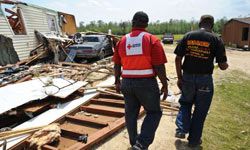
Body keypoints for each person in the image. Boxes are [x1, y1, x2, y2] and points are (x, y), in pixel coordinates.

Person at [112, 11, 168, 150]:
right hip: (146, 84)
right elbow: (159, 66)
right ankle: (141, 144)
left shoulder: (122, 41)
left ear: (133, 22)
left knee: (130, 113)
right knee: (154, 112)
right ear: (147, 24)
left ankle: (134, 142)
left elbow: (117, 64)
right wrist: (164, 85)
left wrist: (117, 81)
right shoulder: (152, 40)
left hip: (127, 83)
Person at [174, 15, 229, 147]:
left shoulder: (188, 36)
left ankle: (181, 128)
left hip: (187, 77)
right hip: (205, 80)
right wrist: (226, 65)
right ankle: (193, 141)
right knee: (200, 110)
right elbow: (222, 66)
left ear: (200, 23)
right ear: (212, 25)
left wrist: (180, 78)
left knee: (186, 103)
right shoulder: (216, 39)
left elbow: (177, 59)